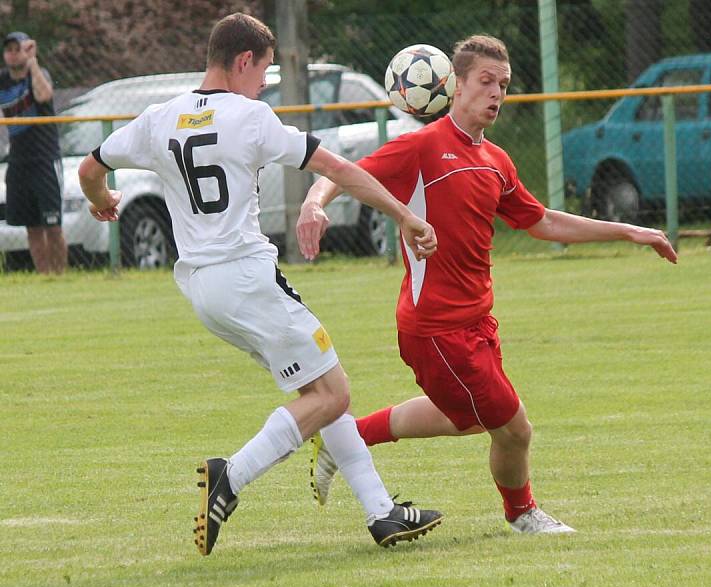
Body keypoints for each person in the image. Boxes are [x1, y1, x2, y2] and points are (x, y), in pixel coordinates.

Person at [77, 13, 445, 556]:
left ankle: (382, 513)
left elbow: (90, 169)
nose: (263, 85)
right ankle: (231, 475)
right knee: (333, 392)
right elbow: (339, 169)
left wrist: (101, 202)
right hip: (249, 279)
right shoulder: (250, 117)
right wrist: (403, 215)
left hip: (204, 291)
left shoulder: (158, 119)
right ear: (244, 61)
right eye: (264, 71)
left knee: (317, 390)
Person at [298, 34, 678, 535]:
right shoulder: (423, 145)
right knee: (515, 429)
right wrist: (315, 202)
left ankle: (344, 437)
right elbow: (343, 172)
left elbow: (541, 221)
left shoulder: (496, 160)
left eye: (503, 84)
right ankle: (523, 513)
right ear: (455, 86)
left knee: (467, 418)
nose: (497, 93)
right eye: (485, 82)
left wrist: (629, 230)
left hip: (477, 323)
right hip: (436, 329)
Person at [0, 31, 66, 274]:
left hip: (44, 159)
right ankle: (44, 277)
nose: (13, 53)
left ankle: (60, 277)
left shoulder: (38, 75)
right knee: (32, 226)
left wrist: (32, 63)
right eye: (9, 49)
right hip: (18, 162)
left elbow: (44, 95)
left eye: (18, 48)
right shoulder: (3, 80)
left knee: (53, 225)